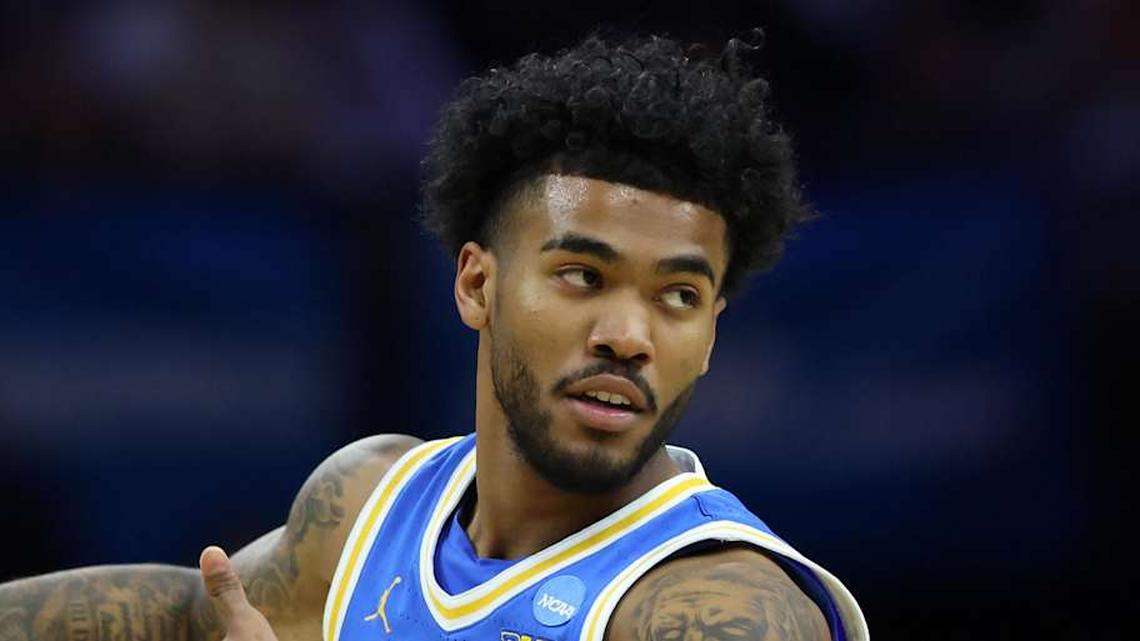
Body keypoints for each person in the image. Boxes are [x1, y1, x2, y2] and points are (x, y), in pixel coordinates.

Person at [0, 33, 868, 641]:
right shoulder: (368, 503)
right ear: (476, 283)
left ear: (711, 330)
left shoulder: (716, 609)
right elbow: (192, 614)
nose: (627, 336)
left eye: (678, 295)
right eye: (583, 276)